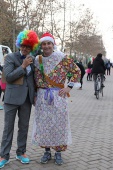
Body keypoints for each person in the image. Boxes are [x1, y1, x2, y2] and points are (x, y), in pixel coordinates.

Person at [32, 32, 81, 165]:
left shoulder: (62, 58)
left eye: (49, 43)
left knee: (59, 124)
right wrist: (35, 95)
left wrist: (69, 87)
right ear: (41, 45)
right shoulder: (37, 60)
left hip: (58, 97)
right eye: (44, 43)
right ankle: (47, 152)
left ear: (53, 44)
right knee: (44, 125)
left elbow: (76, 71)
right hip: (42, 97)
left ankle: (58, 153)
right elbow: (33, 79)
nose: (46, 46)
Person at [0, 30, 39, 169]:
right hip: (11, 98)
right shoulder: (10, 58)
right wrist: (23, 66)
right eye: (23, 46)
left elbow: (32, 79)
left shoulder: (33, 60)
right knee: (8, 128)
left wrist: (35, 94)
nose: (25, 49)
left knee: (24, 127)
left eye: (28, 47)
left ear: (32, 47)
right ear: (19, 44)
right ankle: (4, 156)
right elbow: (8, 77)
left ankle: (21, 152)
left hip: (27, 99)